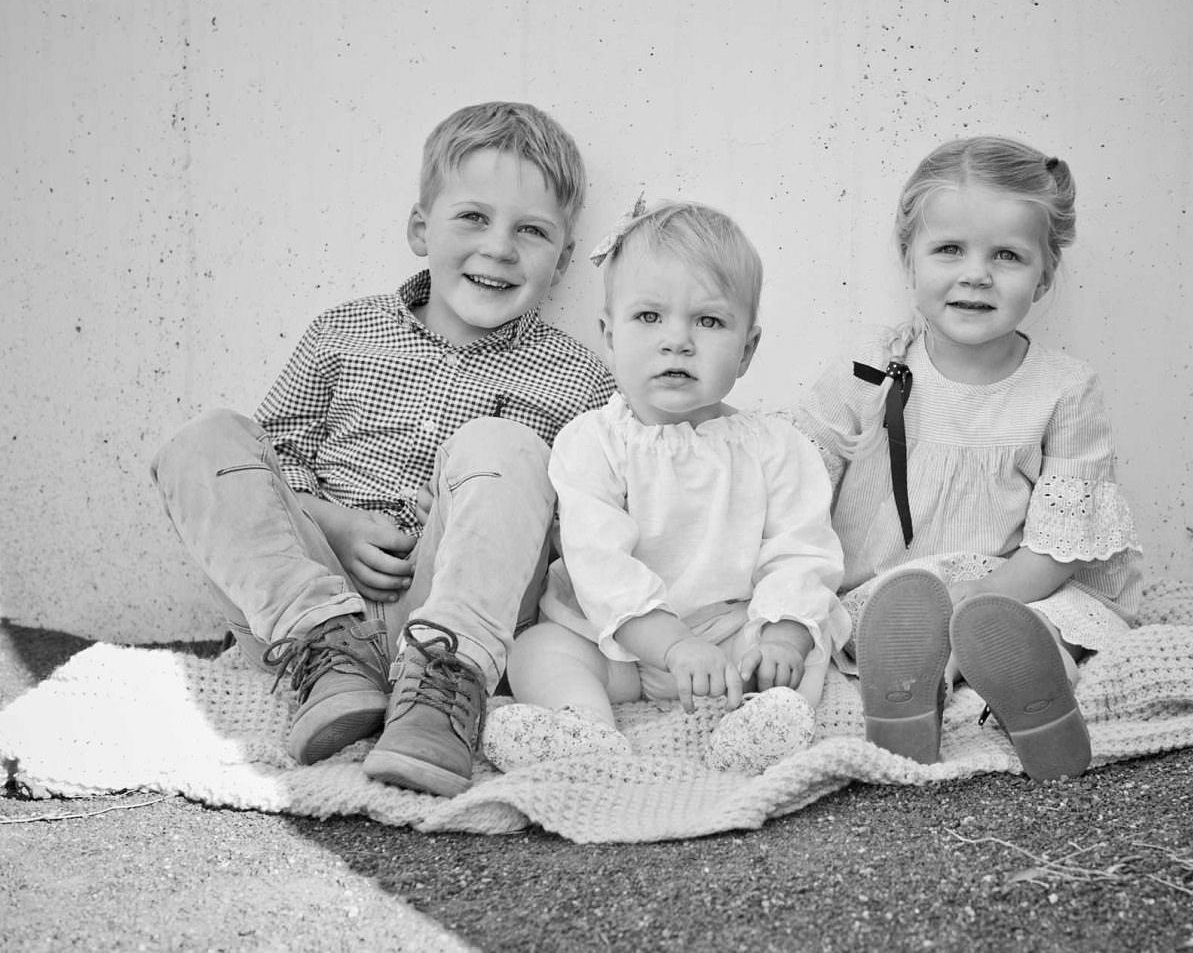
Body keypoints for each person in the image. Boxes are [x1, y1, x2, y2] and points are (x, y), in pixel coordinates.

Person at [150, 101, 615, 797]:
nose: (499, 247)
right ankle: (328, 661)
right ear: (420, 228)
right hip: (311, 594)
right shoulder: (346, 333)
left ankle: (440, 689)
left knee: (505, 446)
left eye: (532, 231)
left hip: (457, 608)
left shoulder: (578, 377)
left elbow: (592, 521)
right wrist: (334, 524)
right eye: (473, 218)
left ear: (564, 258)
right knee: (201, 441)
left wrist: (466, 508)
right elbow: (268, 464)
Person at [792, 136, 1142, 780]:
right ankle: (911, 697)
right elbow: (798, 487)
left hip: (1017, 587)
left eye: (1006, 255)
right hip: (897, 596)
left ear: (1044, 277)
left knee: (1045, 630)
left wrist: (978, 597)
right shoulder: (871, 367)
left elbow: (1057, 549)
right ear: (910, 261)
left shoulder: (1063, 388)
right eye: (950, 249)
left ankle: (1036, 700)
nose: (976, 273)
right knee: (891, 630)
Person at [482, 200, 850, 775]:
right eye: (649, 318)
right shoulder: (592, 442)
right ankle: (583, 727)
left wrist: (781, 638)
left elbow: (801, 550)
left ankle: (759, 723)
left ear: (748, 350)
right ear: (609, 334)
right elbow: (598, 562)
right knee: (537, 651)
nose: (676, 341)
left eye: (708, 321)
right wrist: (672, 645)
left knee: (811, 640)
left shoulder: (777, 446)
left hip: (727, 639)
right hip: (613, 640)